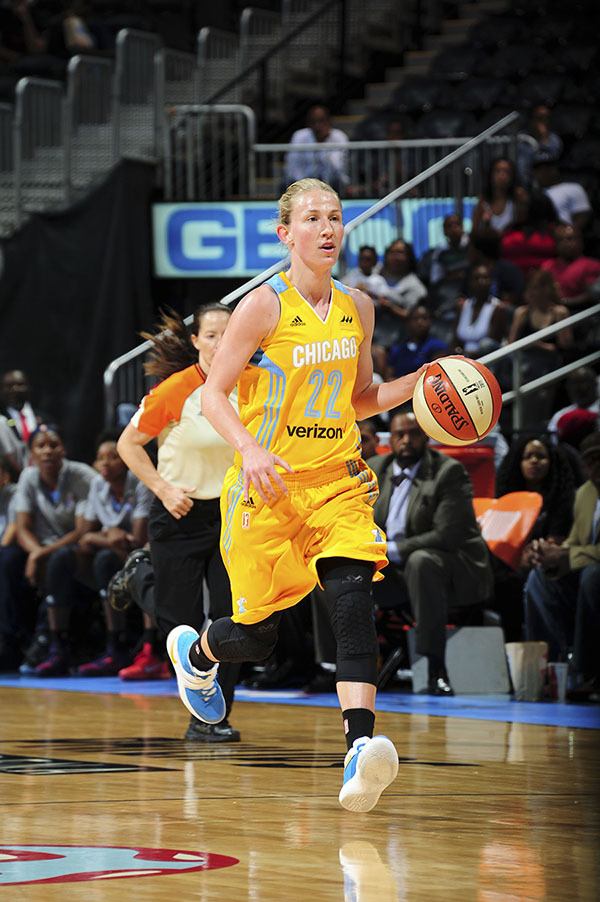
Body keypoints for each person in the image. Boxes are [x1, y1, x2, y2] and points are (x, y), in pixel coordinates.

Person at [166, 178, 430, 813]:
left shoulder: (359, 307)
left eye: (336, 217)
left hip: (335, 479)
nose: (328, 228)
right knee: (255, 639)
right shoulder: (262, 307)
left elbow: (359, 398)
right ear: (286, 234)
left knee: (351, 597)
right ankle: (198, 650)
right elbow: (212, 394)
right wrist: (251, 449)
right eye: (313, 219)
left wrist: (415, 385)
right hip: (266, 491)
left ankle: (359, 750)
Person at [117, 303, 241, 743]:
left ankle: (211, 716)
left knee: (232, 620)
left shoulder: (254, 386)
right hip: (179, 511)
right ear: (196, 341)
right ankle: (139, 580)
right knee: (179, 624)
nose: (222, 342)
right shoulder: (176, 390)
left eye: (230, 333)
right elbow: (128, 444)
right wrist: (163, 489)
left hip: (231, 515)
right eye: (212, 335)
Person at [368, 408, 492, 696]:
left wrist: (390, 549)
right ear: (391, 439)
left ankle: (434, 667)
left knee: (421, 562)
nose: (406, 441)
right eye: (399, 434)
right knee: (333, 566)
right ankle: (328, 665)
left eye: (413, 434)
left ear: (426, 437)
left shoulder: (449, 472)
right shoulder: (376, 467)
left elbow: (448, 535)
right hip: (394, 570)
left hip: (452, 567)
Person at [13, 424, 96, 675]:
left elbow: (82, 530)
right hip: (46, 550)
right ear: (32, 454)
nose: (47, 451)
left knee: (59, 561)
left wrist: (39, 554)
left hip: (80, 549)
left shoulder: (82, 475)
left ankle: (53, 643)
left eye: (53, 445)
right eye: (41, 446)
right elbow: (21, 527)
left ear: (64, 450)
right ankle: (16, 640)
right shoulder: (28, 477)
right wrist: (36, 552)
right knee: (9, 561)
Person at [524, 431, 600, 700]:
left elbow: (577, 552)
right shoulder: (585, 493)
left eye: (599, 458)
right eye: (590, 460)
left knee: (592, 577)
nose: (595, 467)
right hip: (584, 570)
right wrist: (550, 553)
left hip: (591, 573)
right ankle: (546, 667)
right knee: (538, 577)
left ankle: (585, 672)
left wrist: (568, 556)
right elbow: (575, 541)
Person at [74, 432, 152, 676]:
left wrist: (105, 536)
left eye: (113, 457)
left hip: (149, 552)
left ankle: (151, 649)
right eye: (100, 458)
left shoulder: (140, 482)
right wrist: (110, 534)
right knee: (95, 560)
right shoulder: (97, 484)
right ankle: (114, 646)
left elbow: (138, 540)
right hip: (117, 552)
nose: (105, 463)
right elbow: (85, 536)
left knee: (130, 563)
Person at [492, 435, 575, 641]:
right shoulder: (506, 499)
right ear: (517, 462)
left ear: (552, 461)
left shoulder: (563, 498)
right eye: (528, 456)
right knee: (503, 583)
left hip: (548, 564)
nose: (534, 461)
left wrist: (538, 553)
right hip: (512, 566)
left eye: (541, 456)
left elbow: (558, 538)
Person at [373, 239, 427, 348]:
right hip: (372, 338)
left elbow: (412, 316)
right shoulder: (374, 275)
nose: (395, 257)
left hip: (399, 343)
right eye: (392, 252)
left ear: (409, 257)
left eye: (400, 253)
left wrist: (391, 307)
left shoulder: (415, 286)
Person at [285, 105, 349, 193]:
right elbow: (294, 165)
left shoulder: (339, 136)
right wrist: (303, 184)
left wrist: (323, 143)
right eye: (313, 121)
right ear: (308, 123)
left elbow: (337, 167)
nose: (317, 125)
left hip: (332, 182)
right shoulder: (299, 136)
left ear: (329, 121)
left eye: (321, 121)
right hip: (305, 181)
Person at [454, 263, 509, 357]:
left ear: (491, 282)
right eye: (476, 278)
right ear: (470, 282)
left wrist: (466, 356)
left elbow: (491, 345)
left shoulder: (498, 308)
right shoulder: (462, 306)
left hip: (486, 362)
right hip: (463, 360)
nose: (481, 282)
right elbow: (455, 341)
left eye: (485, 278)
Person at [541, 224, 600, 310]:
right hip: (552, 313)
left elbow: (591, 295)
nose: (568, 243)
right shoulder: (547, 266)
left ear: (581, 241)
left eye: (572, 238)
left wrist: (564, 303)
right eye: (562, 240)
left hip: (581, 314)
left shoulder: (592, 265)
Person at [501, 190, 558, 277]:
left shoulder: (552, 231)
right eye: (517, 204)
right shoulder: (509, 230)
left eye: (523, 205)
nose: (517, 209)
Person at [532, 154, 592, 232]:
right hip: (541, 238)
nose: (544, 172)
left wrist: (569, 233)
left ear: (556, 169)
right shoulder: (531, 194)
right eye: (539, 169)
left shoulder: (573, 188)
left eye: (548, 167)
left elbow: (582, 215)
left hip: (565, 237)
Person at [386, 304, 448, 379]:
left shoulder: (437, 346)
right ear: (408, 322)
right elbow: (389, 375)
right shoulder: (397, 348)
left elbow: (437, 376)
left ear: (430, 322)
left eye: (424, 318)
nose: (420, 322)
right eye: (415, 318)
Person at [472, 157, 523, 235]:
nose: (502, 175)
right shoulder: (483, 201)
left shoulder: (517, 197)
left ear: (512, 176)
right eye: (497, 171)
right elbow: (474, 233)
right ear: (491, 175)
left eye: (507, 172)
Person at [517, 104, 563, 188]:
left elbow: (550, 162)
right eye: (540, 118)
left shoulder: (554, 139)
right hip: (527, 184)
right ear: (531, 120)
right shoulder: (522, 139)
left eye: (546, 118)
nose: (543, 122)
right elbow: (522, 168)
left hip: (549, 185)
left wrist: (544, 140)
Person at [547, 367, 599, 439]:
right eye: (574, 384)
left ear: (595, 383)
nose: (580, 388)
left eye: (584, 382)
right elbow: (553, 443)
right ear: (568, 388)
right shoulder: (560, 415)